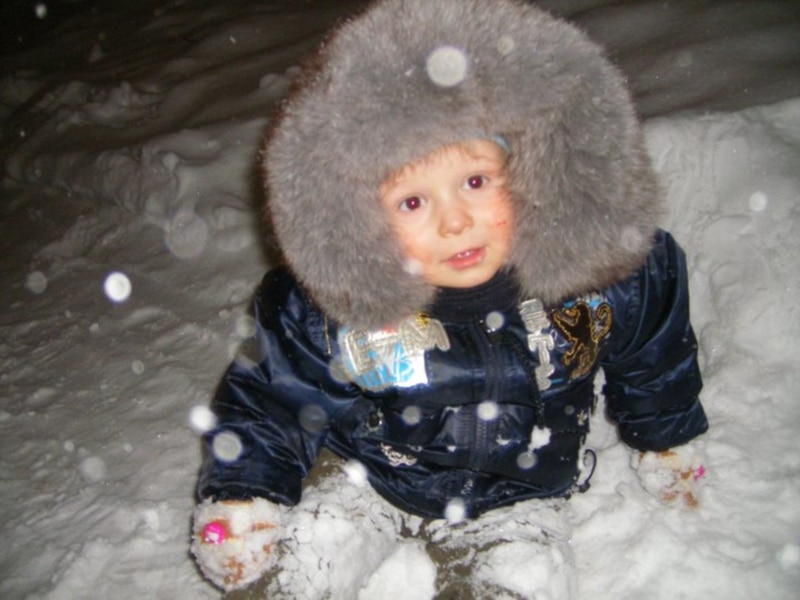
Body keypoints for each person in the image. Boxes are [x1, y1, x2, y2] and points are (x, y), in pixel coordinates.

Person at [191, 0, 709, 596]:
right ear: (361, 219)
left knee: (517, 586)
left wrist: (667, 440)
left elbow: (655, 359)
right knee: (297, 567)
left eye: (475, 181)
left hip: (517, 493)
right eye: (413, 201)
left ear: (536, 171)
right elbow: (273, 399)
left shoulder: (601, 282)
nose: (455, 221)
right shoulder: (333, 307)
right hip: (367, 475)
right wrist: (245, 489)